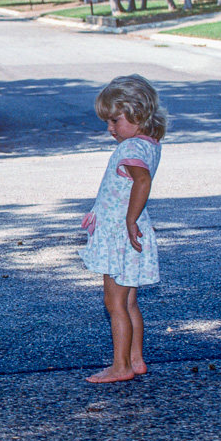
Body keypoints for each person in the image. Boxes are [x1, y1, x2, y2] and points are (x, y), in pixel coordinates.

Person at [79, 75, 167, 384]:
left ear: (138, 113)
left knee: (114, 303)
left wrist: (129, 220)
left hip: (121, 236)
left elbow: (142, 181)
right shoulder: (148, 144)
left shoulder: (132, 147)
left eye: (115, 120)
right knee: (129, 302)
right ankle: (136, 359)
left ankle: (120, 366)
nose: (110, 128)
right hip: (130, 235)